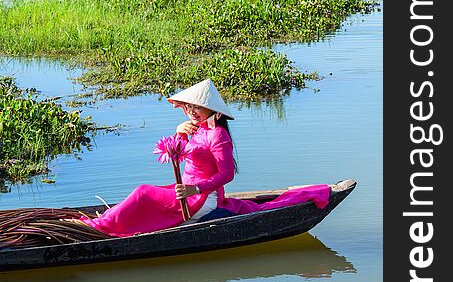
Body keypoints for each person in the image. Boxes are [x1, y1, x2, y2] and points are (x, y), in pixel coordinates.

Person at [74, 78, 332, 238]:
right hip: (186, 193)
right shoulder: (193, 129)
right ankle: (103, 224)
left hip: (201, 199)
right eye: (189, 107)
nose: (191, 112)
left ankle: (99, 227)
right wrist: (178, 133)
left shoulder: (219, 136)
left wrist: (194, 189)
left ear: (213, 110)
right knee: (144, 195)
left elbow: (226, 174)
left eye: (196, 107)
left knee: (143, 193)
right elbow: (176, 153)